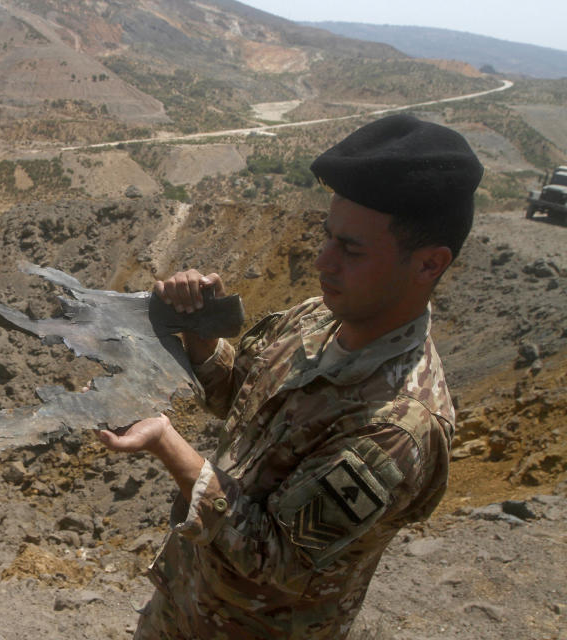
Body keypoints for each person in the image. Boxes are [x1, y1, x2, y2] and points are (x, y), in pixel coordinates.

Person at [96, 113, 484, 639]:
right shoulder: (318, 318)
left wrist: (171, 447)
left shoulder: (397, 427)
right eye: (329, 237)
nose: (323, 261)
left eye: (351, 249)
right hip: (187, 608)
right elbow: (243, 396)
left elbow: (274, 558)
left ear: (428, 265)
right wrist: (202, 341)